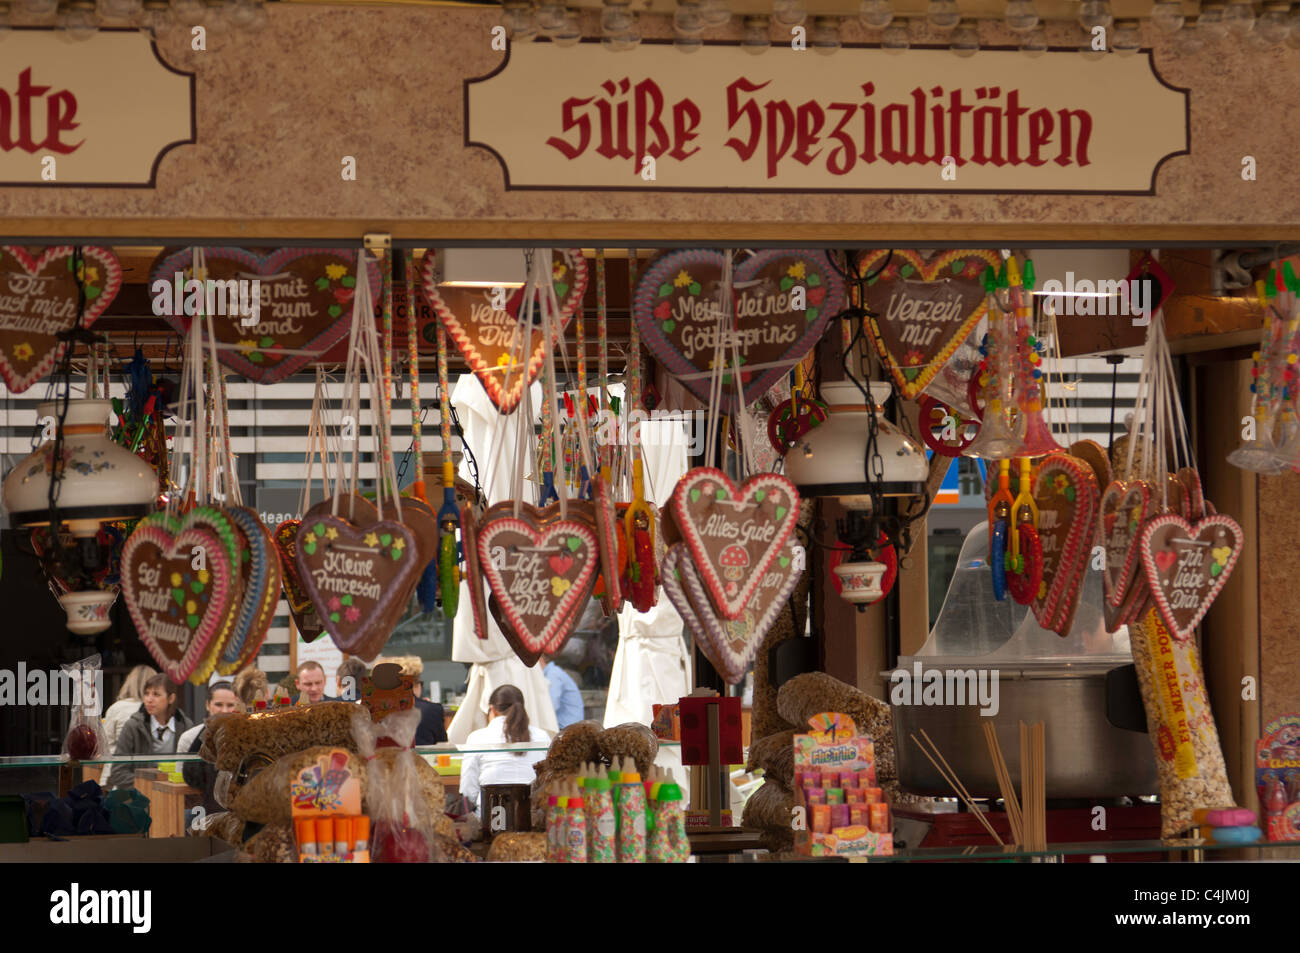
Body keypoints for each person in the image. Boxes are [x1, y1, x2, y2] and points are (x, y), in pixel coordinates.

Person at [459, 685, 548, 816]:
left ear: (492, 710)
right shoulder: (542, 736)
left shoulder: (477, 737)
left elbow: (468, 791)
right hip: (532, 818)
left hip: (489, 819)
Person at [107, 675, 195, 790]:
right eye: (146, 693)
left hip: (175, 797)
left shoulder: (186, 727)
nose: (149, 699)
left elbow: (193, 772)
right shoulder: (132, 726)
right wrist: (153, 786)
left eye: (156, 694)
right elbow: (118, 773)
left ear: (171, 698)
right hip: (138, 799)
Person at [180, 682, 241, 829]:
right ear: (208, 705)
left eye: (230, 705)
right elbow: (190, 777)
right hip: (207, 813)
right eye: (219, 705)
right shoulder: (193, 736)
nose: (224, 711)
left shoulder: (245, 735)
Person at [99, 664, 157, 787]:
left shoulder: (116, 708)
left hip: (116, 777)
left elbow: (104, 745)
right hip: (151, 777)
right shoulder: (158, 710)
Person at [376, 655, 447, 745]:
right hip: (420, 758)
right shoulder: (432, 710)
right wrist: (428, 707)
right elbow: (442, 747)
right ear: (415, 684)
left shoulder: (369, 708)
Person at [539, 654, 584, 730]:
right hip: (568, 726)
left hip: (568, 729)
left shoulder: (553, 674)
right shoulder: (553, 672)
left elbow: (551, 706)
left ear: (540, 659)